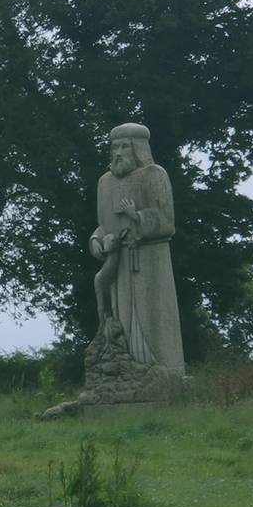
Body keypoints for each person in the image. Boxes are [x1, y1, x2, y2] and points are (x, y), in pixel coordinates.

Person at [89, 123, 184, 370]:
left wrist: (137, 216)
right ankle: (126, 366)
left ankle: (162, 371)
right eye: (114, 147)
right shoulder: (105, 182)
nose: (118, 153)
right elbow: (104, 225)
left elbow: (167, 221)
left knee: (152, 316)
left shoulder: (154, 175)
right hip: (119, 263)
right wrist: (96, 240)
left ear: (138, 149)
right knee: (121, 316)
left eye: (124, 147)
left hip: (150, 262)